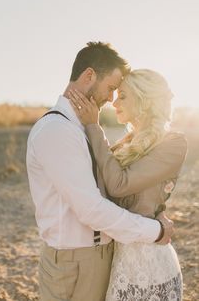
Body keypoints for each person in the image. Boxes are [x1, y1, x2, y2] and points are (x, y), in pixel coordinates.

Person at [26, 42, 173, 301]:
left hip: (102, 255)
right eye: (111, 88)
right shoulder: (56, 130)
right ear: (89, 76)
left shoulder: (83, 126)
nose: (111, 98)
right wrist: (155, 231)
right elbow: (91, 209)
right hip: (76, 261)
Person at [68, 68, 187, 300]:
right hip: (120, 258)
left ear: (144, 100)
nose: (114, 103)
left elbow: (119, 185)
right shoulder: (126, 142)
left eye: (123, 96)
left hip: (151, 262)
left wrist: (94, 127)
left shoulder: (173, 143)